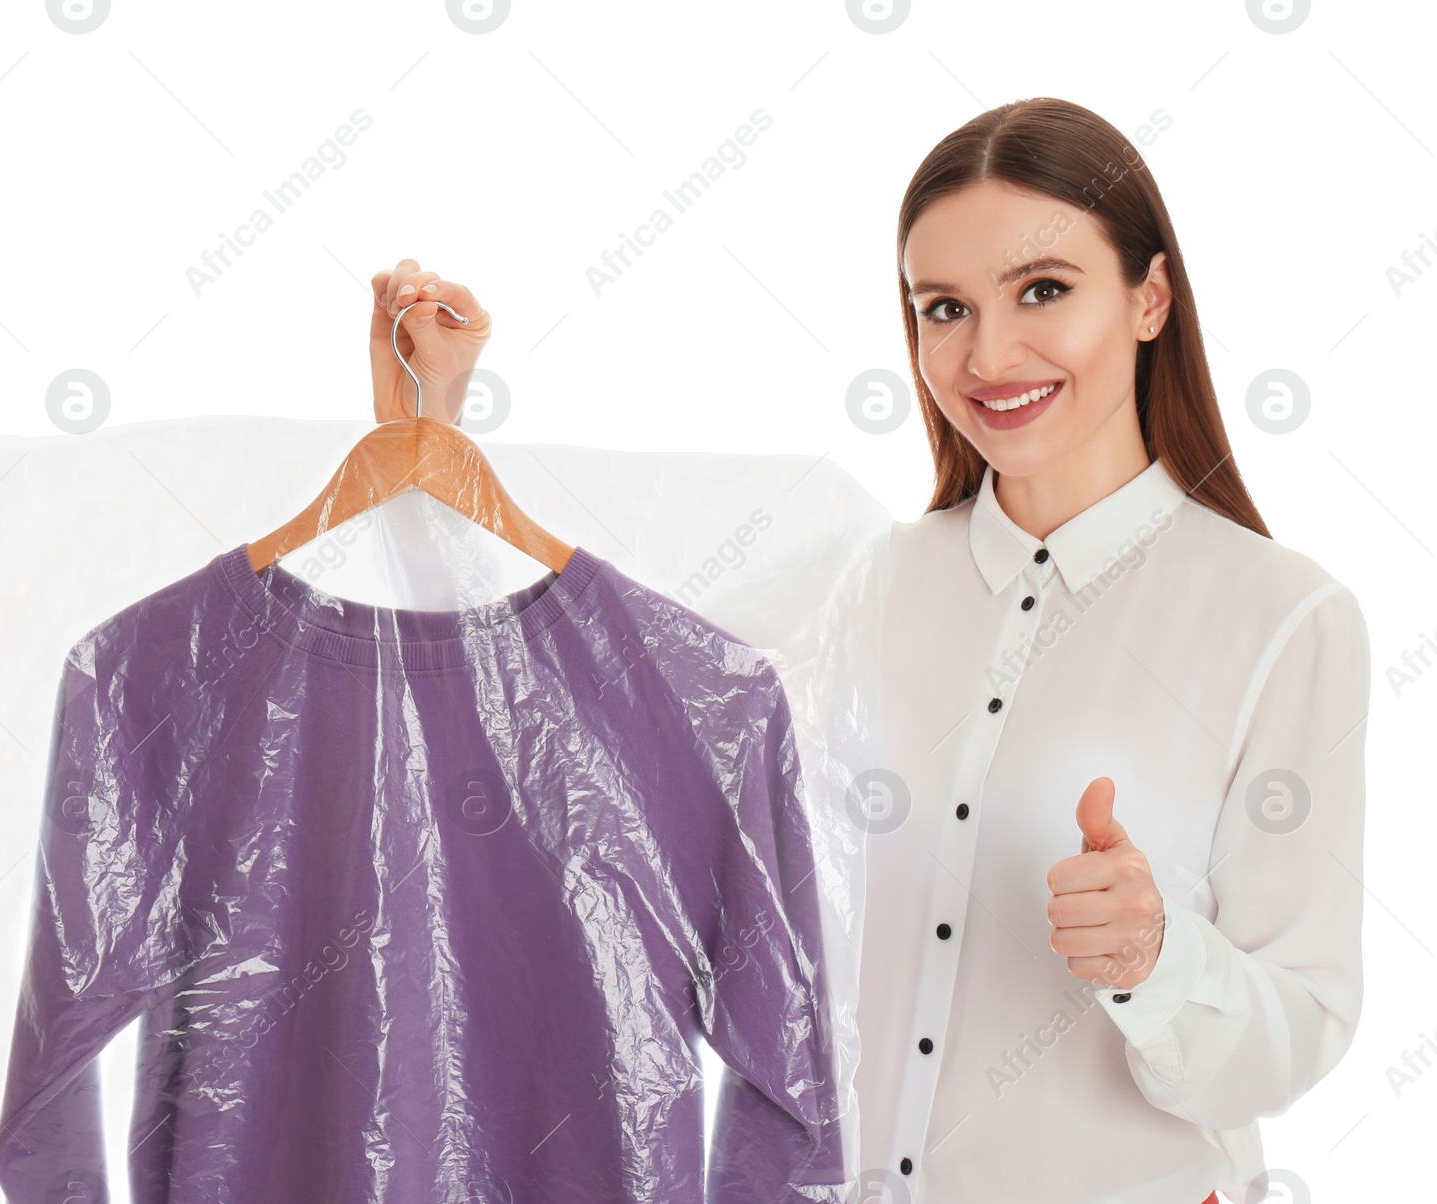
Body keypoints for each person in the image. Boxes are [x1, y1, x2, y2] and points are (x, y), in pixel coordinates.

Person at [367, 94, 1369, 1204]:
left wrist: (1157, 956)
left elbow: (1297, 1033)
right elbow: (557, 736)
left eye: (1043, 290)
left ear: (1149, 296)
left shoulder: (1283, 619)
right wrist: (429, 443)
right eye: (944, 307)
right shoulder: (853, 585)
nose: (988, 354)